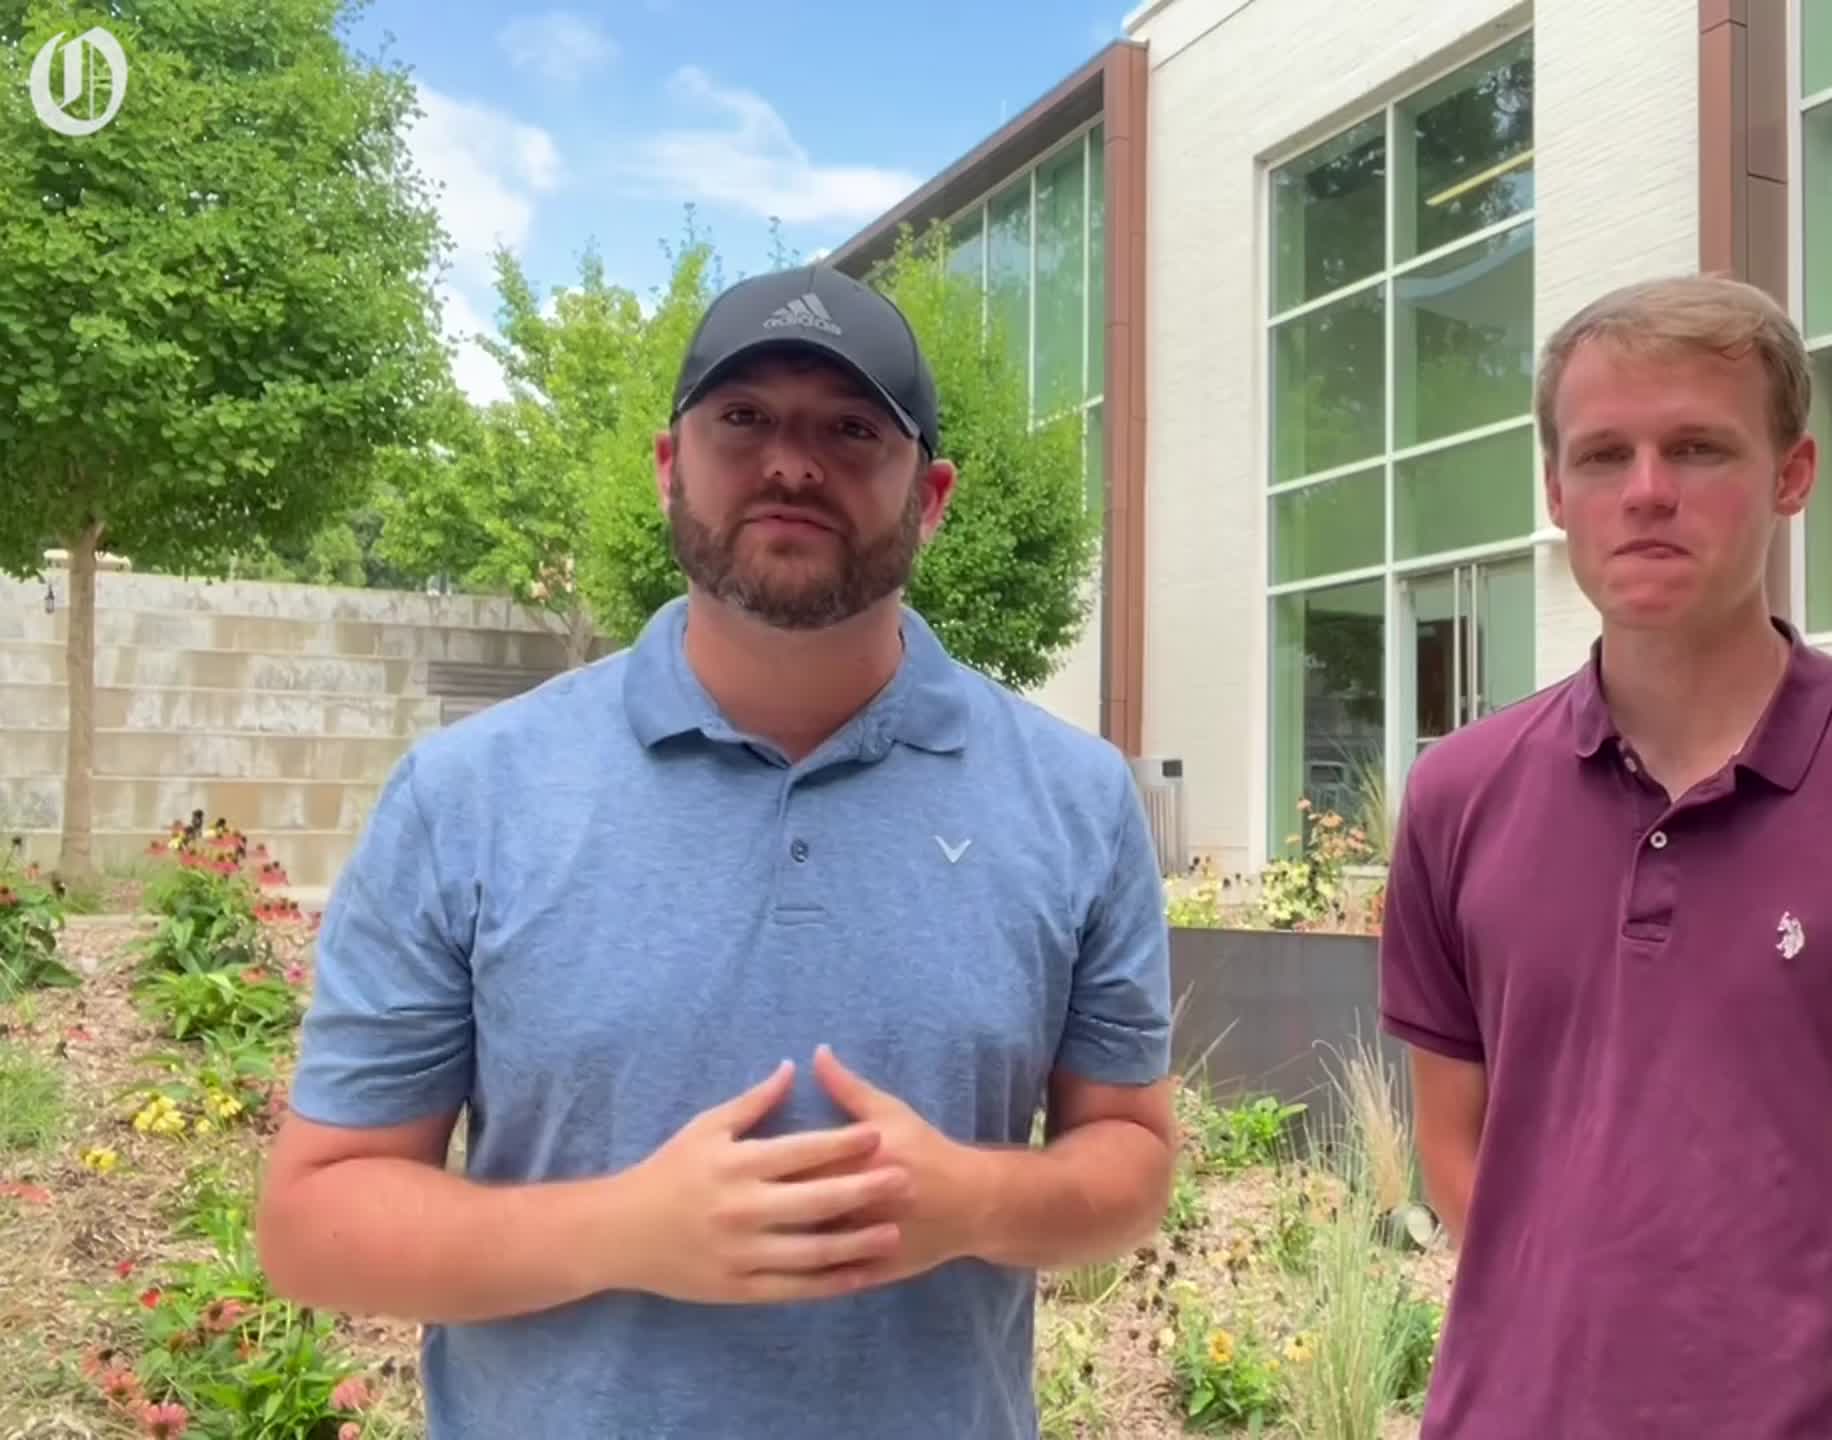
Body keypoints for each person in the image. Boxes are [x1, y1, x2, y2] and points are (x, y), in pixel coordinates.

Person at [256, 263, 1179, 1438]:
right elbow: (315, 1223)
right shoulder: (469, 794)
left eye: (852, 429)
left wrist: (970, 1202)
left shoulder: (1075, 799)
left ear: (931, 497)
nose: (792, 463)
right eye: (743, 419)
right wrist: (624, 1232)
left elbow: (1131, 1159)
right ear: (667, 467)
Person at [1376, 274, 1832, 1438]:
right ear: (1556, 492)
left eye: (1699, 449)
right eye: (1606, 454)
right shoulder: (1456, 798)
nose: (1649, 492)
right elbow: (1457, 1149)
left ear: (1792, 475)